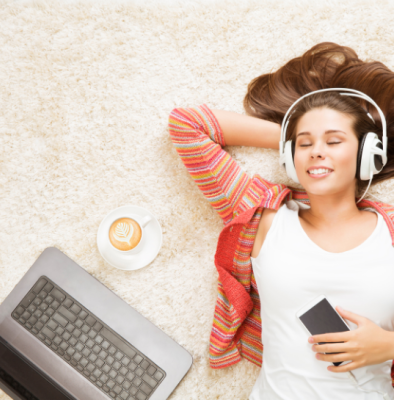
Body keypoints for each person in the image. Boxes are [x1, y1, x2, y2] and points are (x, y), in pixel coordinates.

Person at [168, 42, 394, 399]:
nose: (318, 150)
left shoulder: (391, 234)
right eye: (305, 145)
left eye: (334, 141)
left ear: (367, 154)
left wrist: (388, 346)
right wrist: (291, 138)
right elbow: (187, 125)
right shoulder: (265, 218)